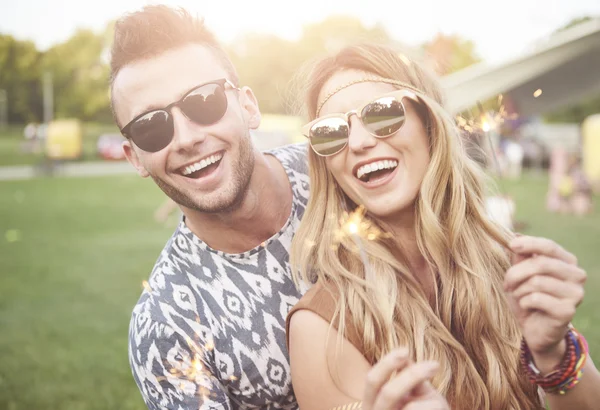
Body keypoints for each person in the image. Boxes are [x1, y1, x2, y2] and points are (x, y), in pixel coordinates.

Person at [286, 43, 599, 410]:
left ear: (429, 123)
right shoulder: (323, 328)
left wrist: (554, 355)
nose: (357, 142)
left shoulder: (511, 266)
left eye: (382, 113)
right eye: (330, 132)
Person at [110, 5, 309, 409]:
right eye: (151, 126)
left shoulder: (339, 172)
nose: (185, 139)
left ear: (248, 107)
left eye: (203, 101)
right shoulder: (166, 327)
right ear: (135, 158)